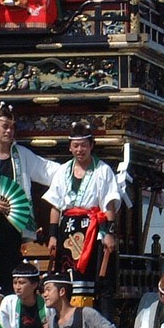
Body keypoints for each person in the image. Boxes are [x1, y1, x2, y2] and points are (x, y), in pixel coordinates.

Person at [0, 103, 60, 294]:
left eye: (11, 127)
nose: (9, 131)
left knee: (10, 271)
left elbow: (46, 170)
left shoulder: (22, 155)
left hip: (13, 224)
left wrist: (71, 170)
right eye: (4, 127)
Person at [44, 122, 121, 312]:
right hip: (68, 229)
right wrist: (53, 235)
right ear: (70, 147)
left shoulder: (102, 170)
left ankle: (99, 324)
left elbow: (109, 204)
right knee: (68, 278)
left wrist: (109, 233)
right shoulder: (63, 171)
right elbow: (55, 205)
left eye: (84, 145)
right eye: (76, 146)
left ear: (91, 146)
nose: (80, 150)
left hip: (93, 229)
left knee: (98, 279)